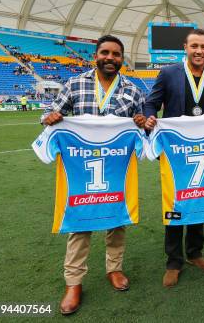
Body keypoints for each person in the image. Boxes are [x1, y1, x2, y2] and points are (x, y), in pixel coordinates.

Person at [41, 35, 146, 315]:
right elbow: (52, 113)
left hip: (116, 168)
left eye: (116, 54)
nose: (110, 58)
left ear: (122, 59)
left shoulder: (133, 90)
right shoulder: (75, 84)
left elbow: (146, 121)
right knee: (80, 224)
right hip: (82, 169)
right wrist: (49, 117)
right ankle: (73, 282)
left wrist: (141, 121)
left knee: (116, 221)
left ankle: (114, 268)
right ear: (96, 55)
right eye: (105, 53)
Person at [144, 28, 204, 287]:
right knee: (175, 203)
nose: (199, 51)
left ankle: (195, 253)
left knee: (199, 200)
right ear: (185, 47)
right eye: (194, 46)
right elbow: (151, 103)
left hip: (203, 152)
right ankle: (173, 261)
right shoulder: (168, 73)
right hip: (175, 153)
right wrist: (149, 117)